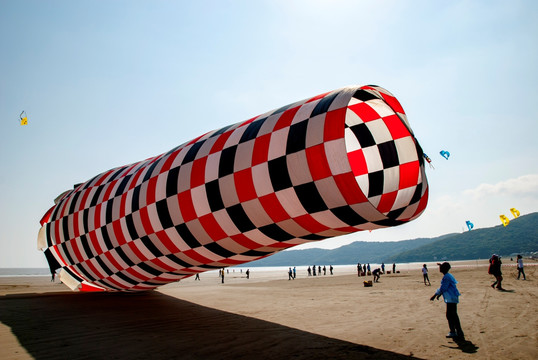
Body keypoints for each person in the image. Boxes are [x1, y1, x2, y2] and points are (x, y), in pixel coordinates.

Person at [430, 262, 464, 339]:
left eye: (441, 267)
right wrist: (439, 294)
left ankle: (454, 331)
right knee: (452, 315)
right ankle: (457, 331)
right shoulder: (448, 276)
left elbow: (443, 288)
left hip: (451, 298)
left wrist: (435, 295)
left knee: (451, 315)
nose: (440, 268)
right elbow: (444, 288)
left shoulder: (446, 277)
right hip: (452, 297)